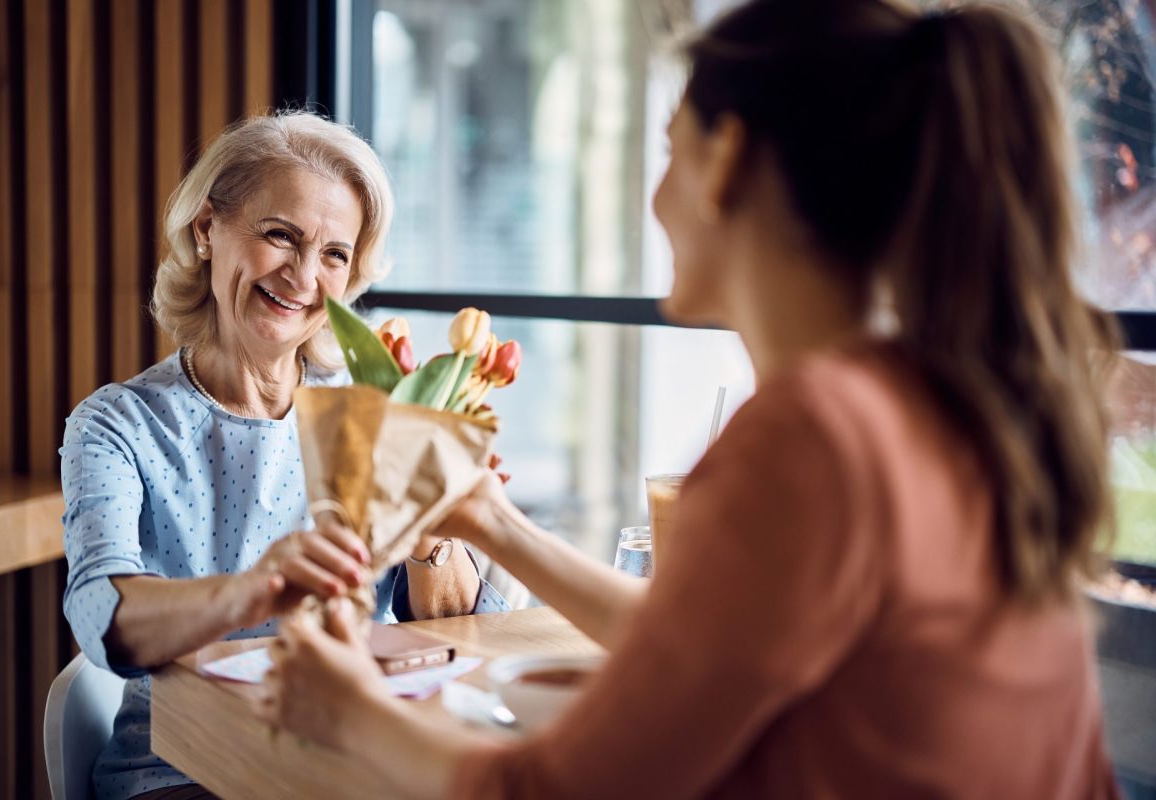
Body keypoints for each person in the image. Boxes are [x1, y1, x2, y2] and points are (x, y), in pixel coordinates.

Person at [261, 1, 1125, 797]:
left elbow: (550, 793)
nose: (657, 198)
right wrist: (492, 521)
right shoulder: (929, 398)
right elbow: (707, 641)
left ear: (727, 161)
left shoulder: (812, 437)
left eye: (672, 147)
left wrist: (346, 711)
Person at [60, 111, 511, 800]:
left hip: (355, 762)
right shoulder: (118, 425)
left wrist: (433, 540)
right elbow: (101, 615)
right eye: (281, 236)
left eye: (334, 254)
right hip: (182, 771)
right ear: (207, 229)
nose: (304, 275)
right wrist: (252, 590)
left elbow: (465, 634)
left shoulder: (371, 406)